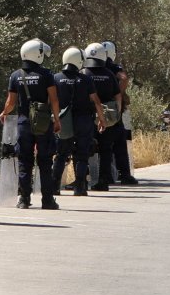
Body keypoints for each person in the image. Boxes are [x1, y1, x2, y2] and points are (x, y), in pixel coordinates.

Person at [0, 38, 61, 210]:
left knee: (24, 161)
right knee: (45, 161)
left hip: (23, 123)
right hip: (42, 123)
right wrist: (57, 120)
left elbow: (11, 102)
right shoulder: (46, 74)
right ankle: (47, 200)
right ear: (38, 54)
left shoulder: (15, 75)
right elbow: (54, 100)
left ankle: (24, 199)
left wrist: (4, 113)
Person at [52, 46, 106, 196]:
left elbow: (52, 100)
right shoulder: (85, 79)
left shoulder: (56, 78)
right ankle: (80, 187)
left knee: (61, 154)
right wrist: (102, 120)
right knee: (82, 154)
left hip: (64, 121)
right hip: (83, 121)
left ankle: (54, 187)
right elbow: (96, 101)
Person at [83, 42, 122, 192]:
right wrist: (116, 115)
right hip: (107, 117)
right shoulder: (109, 74)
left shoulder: (84, 72)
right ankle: (103, 180)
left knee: (84, 148)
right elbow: (118, 95)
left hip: (87, 116)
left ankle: (83, 179)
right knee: (106, 149)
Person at [102, 40, 139, 185]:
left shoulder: (92, 65)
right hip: (113, 109)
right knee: (119, 141)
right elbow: (124, 78)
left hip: (96, 108)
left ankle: (103, 175)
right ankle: (124, 174)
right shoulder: (114, 66)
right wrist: (119, 93)